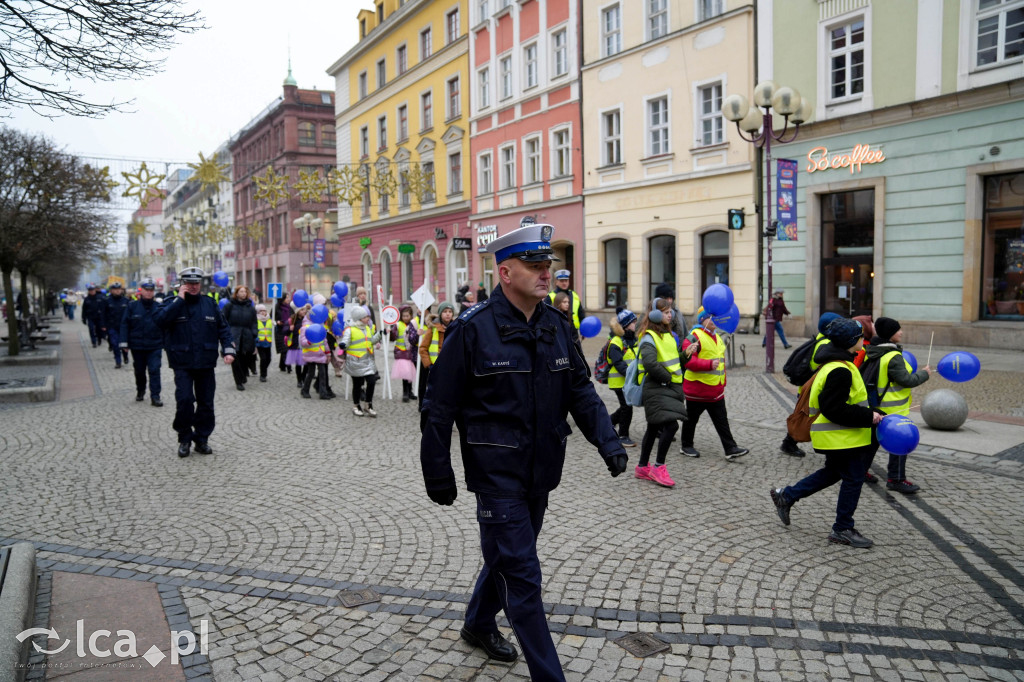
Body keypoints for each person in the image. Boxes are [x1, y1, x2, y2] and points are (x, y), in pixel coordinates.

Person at [420, 220, 627, 679]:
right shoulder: (472, 330)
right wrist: (438, 473)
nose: (545, 273)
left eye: (546, 264)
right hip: (495, 474)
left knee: (507, 555)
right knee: (522, 574)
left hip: (542, 468)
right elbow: (438, 409)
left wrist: (607, 441)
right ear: (505, 272)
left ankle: (477, 623)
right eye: (533, 265)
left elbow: (580, 389)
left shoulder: (555, 324)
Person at [770, 318, 885, 549]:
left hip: (840, 436)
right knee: (854, 478)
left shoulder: (838, 363)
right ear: (852, 342)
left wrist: (872, 412)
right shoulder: (839, 370)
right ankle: (842, 528)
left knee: (833, 473)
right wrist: (868, 417)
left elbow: (847, 403)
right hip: (840, 436)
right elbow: (835, 409)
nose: (864, 339)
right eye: (861, 337)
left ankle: (787, 496)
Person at [152, 267, 236, 458]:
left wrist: (228, 350)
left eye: (196, 283)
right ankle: (184, 438)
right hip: (182, 362)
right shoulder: (170, 303)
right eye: (189, 283)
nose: (193, 286)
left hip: (205, 362)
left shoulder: (209, 304)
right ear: (182, 284)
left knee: (206, 403)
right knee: (185, 401)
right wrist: (179, 300)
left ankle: (202, 439)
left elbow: (223, 329)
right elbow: (160, 321)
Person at [862, 317, 930, 494]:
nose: (901, 332)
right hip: (892, 410)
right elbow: (907, 380)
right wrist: (925, 374)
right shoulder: (893, 356)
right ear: (890, 334)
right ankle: (896, 479)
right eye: (898, 330)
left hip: (877, 406)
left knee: (871, 442)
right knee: (900, 442)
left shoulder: (874, 350)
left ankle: (860, 472)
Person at [679, 307, 749, 461]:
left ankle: (730, 448)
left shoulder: (716, 336)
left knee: (722, 421)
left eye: (715, 317)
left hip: (715, 390)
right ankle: (686, 445)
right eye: (710, 317)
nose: (713, 320)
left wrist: (722, 382)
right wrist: (709, 365)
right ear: (702, 320)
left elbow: (720, 361)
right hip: (697, 390)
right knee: (691, 420)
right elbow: (688, 361)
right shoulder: (693, 337)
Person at [635, 297, 686, 488]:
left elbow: (672, 361)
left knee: (653, 427)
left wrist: (685, 355)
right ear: (655, 315)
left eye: (670, 311)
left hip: (666, 387)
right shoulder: (649, 337)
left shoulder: (669, 335)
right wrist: (667, 378)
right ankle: (658, 467)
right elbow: (649, 362)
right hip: (657, 387)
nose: (670, 314)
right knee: (671, 426)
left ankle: (642, 467)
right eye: (665, 312)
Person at [779, 311, 842, 458]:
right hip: (813, 390)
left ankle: (789, 443)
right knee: (805, 419)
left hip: (809, 388)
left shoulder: (820, 340)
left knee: (805, 417)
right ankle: (789, 443)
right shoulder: (826, 344)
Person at [120, 278, 164, 406]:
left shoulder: (159, 307)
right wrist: (124, 342)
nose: (149, 293)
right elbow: (124, 324)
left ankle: (155, 396)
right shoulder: (132, 306)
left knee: (154, 370)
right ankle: (140, 390)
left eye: (151, 290)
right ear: (141, 291)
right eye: (146, 290)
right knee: (139, 371)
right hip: (137, 345)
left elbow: (165, 325)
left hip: (155, 345)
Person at [417, 301, 455, 429]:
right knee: (435, 395)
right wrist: (429, 365)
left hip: (450, 368)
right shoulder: (432, 328)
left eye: (450, 312)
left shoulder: (456, 328)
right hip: (435, 367)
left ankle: (446, 418)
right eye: (445, 312)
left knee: (449, 395)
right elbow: (423, 348)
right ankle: (432, 418)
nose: (448, 314)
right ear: (440, 313)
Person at [607, 308, 639, 447]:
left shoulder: (634, 339)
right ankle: (623, 435)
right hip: (619, 381)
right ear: (626, 325)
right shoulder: (616, 341)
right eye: (633, 322)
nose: (635, 324)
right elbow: (618, 362)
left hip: (629, 380)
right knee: (627, 406)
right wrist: (631, 374)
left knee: (625, 406)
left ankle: (608, 422)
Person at [340, 306, 381, 415]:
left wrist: (380, 334)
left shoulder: (367, 328)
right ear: (359, 318)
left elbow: (371, 341)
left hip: (367, 360)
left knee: (372, 381)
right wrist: (343, 345)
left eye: (368, 316)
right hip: (355, 361)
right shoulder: (350, 330)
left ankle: (368, 404)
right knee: (357, 384)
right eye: (365, 316)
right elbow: (345, 341)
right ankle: (356, 405)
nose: (368, 318)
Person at [223, 285, 258, 391]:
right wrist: (226, 335)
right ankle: (238, 381)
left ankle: (243, 375)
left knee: (245, 358)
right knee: (235, 358)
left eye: (245, 292)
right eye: (241, 291)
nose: (243, 293)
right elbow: (223, 321)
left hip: (247, 335)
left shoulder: (250, 308)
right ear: (237, 293)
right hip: (233, 335)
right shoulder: (229, 306)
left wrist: (254, 333)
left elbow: (254, 322)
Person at [299, 310, 332, 400]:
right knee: (311, 373)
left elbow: (324, 341)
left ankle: (323, 392)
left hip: (320, 353)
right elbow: (303, 342)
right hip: (310, 354)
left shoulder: (320, 326)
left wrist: (328, 353)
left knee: (322, 373)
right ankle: (305, 390)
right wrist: (309, 341)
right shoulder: (304, 328)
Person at [390, 305, 419, 402]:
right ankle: (405, 392)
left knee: (410, 372)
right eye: (404, 316)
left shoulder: (413, 324)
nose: (406, 318)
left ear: (411, 315)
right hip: (401, 352)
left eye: (408, 316)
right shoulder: (398, 325)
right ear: (401, 316)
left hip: (411, 351)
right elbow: (393, 338)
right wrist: (391, 332)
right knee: (405, 373)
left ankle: (410, 391)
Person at [101, 282, 130, 368]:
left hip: (124, 327)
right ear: (111, 291)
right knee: (115, 344)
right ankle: (118, 361)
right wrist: (103, 325)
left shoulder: (126, 301)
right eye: (115, 290)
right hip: (112, 326)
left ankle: (125, 355)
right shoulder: (107, 301)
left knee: (124, 344)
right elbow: (103, 314)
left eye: (119, 289)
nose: (117, 291)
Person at [255, 304, 274, 382]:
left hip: (268, 342)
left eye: (264, 310)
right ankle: (263, 375)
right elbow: (254, 331)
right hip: (260, 343)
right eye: (261, 311)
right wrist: (256, 339)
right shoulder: (256, 320)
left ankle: (263, 369)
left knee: (268, 359)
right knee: (263, 359)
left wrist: (275, 325)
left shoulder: (269, 320)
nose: (263, 312)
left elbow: (272, 331)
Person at [275, 292, 292, 373]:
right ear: (282, 299)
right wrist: (277, 322)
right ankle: (289, 366)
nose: (288, 299)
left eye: (289, 297)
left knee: (286, 349)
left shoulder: (289, 308)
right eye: (287, 298)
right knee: (284, 349)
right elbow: (272, 318)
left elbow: (294, 317)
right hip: (280, 330)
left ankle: (282, 365)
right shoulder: (276, 307)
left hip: (288, 330)